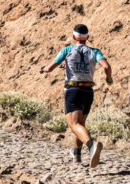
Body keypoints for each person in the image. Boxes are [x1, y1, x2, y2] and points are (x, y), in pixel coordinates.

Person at [40, 24, 113, 168]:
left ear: (74, 37)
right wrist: (109, 79)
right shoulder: (94, 51)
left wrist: (42, 69)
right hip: (88, 92)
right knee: (80, 124)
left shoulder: (67, 50)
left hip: (73, 90)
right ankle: (77, 154)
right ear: (87, 38)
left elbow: (49, 68)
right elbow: (106, 66)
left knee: (74, 125)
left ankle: (92, 146)